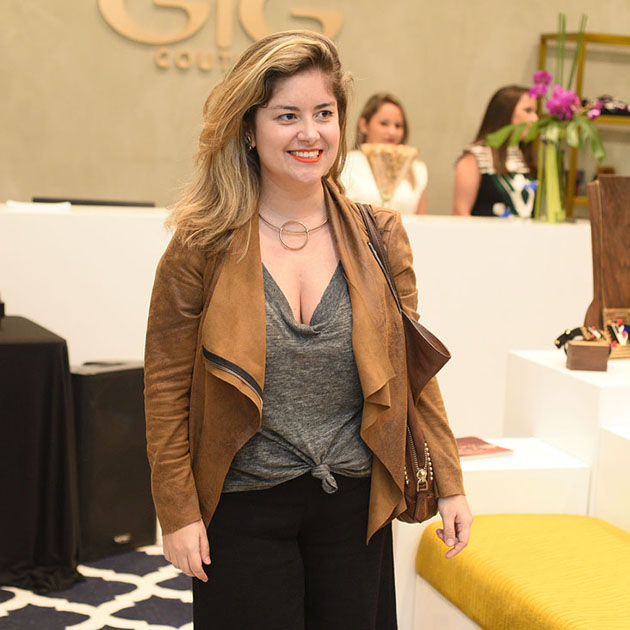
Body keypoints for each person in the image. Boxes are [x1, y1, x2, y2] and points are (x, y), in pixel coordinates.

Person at [144, 30, 471, 630]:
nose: (310, 133)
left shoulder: (379, 236)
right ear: (249, 128)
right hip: (241, 506)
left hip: (355, 505)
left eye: (323, 113)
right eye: (286, 115)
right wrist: (178, 512)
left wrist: (449, 483)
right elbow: (165, 388)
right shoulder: (202, 242)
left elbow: (412, 371)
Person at [453, 85, 538, 217]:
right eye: (528, 111)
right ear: (505, 112)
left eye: (535, 112)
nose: (535, 119)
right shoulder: (475, 157)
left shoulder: (526, 157)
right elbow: (461, 212)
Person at [341, 93, 428, 214]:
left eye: (398, 125)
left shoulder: (416, 168)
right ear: (364, 125)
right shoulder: (344, 163)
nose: (392, 132)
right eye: (384, 123)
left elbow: (421, 220)